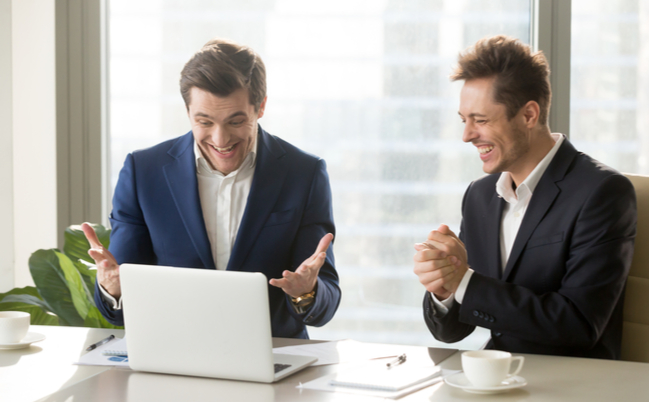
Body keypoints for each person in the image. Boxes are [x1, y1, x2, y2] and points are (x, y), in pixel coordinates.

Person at [82, 38, 341, 338]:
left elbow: (326, 301)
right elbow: (119, 307)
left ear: (260, 107)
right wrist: (113, 289)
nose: (220, 139)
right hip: (171, 354)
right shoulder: (144, 172)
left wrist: (306, 291)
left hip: (274, 356)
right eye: (204, 122)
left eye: (236, 121)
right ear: (188, 111)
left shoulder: (304, 174)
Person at [413, 35, 636, 359]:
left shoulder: (602, 192)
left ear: (529, 115)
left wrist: (465, 282)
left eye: (481, 120)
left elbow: (579, 325)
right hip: (497, 376)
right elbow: (451, 331)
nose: (467, 135)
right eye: (464, 120)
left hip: (573, 379)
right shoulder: (479, 196)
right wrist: (445, 287)